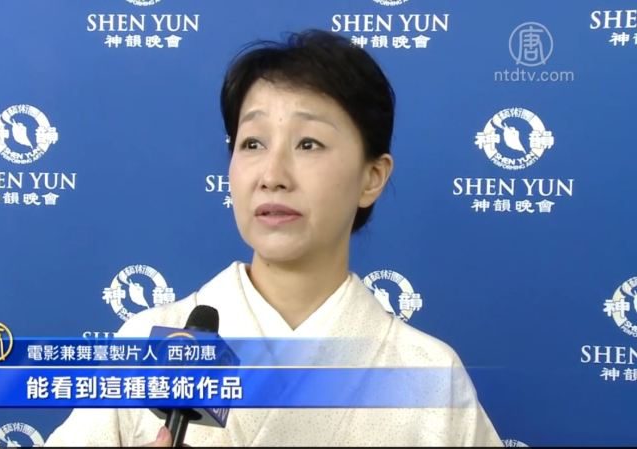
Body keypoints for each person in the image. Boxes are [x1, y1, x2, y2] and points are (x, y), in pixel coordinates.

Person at [45, 29, 502, 447]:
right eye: (252, 143)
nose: (272, 175)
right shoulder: (148, 345)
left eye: (308, 144)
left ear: (372, 177)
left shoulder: (431, 376)